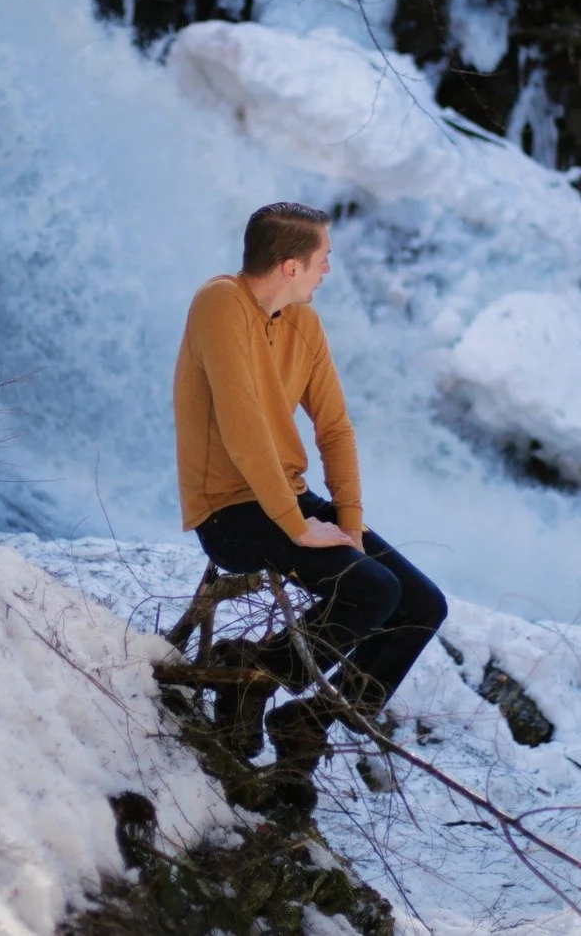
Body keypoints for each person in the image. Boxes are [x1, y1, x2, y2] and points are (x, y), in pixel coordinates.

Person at [173, 201, 447, 798]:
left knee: (423, 606)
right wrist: (298, 528)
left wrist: (348, 524)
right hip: (229, 510)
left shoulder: (305, 324)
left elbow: (335, 428)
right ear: (290, 266)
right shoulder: (219, 305)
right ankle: (254, 676)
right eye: (323, 258)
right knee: (372, 589)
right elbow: (244, 432)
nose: (329, 269)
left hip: (290, 498)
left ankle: (307, 721)